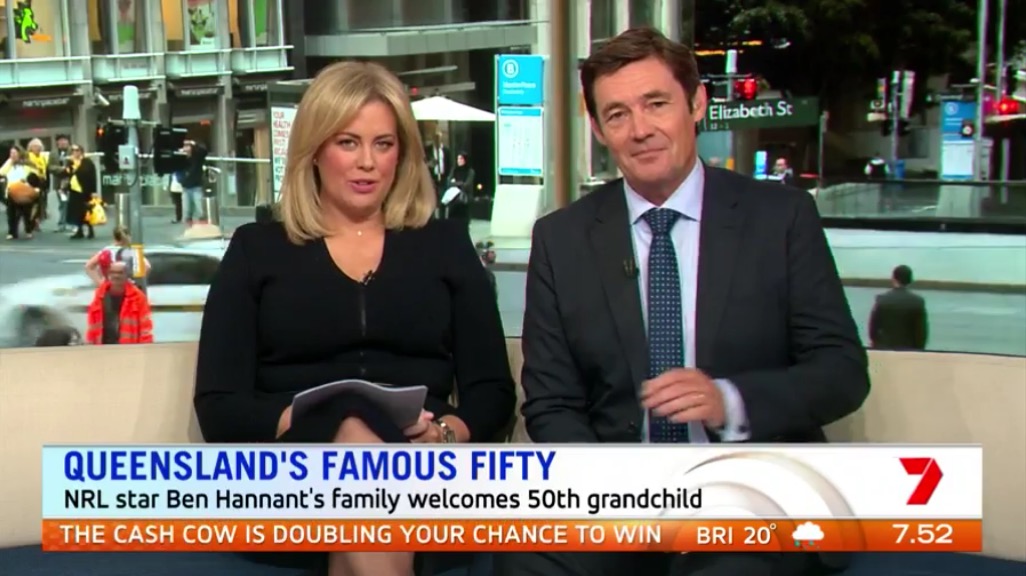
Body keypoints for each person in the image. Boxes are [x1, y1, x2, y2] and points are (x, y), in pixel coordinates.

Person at [503, 27, 869, 576]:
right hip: (621, 501)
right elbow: (552, 403)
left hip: (749, 490)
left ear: (696, 104)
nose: (640, 130)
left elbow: (842, 372)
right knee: (525, 561)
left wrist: (729, 401)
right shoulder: (562, 239)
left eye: (656, 104)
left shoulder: (781, 218)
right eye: (618, 114)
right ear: (598, 129)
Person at [193, 60, 516, 576]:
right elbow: (219, 405)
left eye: (383, 144)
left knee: (363, 461)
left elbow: (493, 391)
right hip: (291, 475)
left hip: (427, 469)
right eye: (348, 143)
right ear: (315, 149)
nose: (367, 163)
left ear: (401, 154)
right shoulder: (257, 250)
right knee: (353, 433)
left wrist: (446, 433)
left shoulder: (446, 245)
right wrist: (318, 423)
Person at [85, 262, 154, 345]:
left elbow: (146, 326)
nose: (116, 276)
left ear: (127, 275)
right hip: (102, 346)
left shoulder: (138, 297)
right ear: (108, 274)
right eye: (113, 272)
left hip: (128, 347)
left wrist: (146, 347)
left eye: (120, 273)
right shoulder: (100, 294)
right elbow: (92, 323)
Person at [868, 265, 928, 350]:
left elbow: (873, 328)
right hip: (908, 350)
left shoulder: (882, 299)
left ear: (894, 278)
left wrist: (877, 344)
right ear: (910, 280)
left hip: (884, 349)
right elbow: (921, 333)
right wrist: (918, 351)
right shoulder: (918, 301)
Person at [84, 226, 151, 285]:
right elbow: (147, 266)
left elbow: (89, 266)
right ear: (129, 237)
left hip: (110, 285)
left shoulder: (107, 250)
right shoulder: (132, 251)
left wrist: (100, 283)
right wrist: (137, 281)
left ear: (114, 237)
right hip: (128, 286)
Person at [1, 144, 43, 240]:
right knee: (11, 214)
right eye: (11, 153)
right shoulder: (9, 165)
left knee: (26, 213)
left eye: (14, 153)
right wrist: (9, 162)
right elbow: (1, 172)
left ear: (20, 153)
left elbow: (36, 176)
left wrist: (30, 184)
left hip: (25, 191)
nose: (12, 155)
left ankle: (28, 230)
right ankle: (12, 232)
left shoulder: (27, 165)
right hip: (11, 192)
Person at [64, 144, 98, 239]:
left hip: (85, 190)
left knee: (86, 210)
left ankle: (90, 230)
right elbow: (67, 174)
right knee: (76, 211)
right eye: (73, 151)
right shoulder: (71, 162)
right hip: (74, 190)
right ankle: (79, 231)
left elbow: (92, 177)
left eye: (77, 150)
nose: (75, 152)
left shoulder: (87, 162)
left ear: (81, 151)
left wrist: (93, 191)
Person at [176, 139, 208, 227]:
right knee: (187, 211)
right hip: (186, 188)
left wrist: (195, 143)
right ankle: (188, 228)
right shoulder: (181, 159)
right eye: (184, 146)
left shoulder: (197, 157)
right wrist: (182, 180)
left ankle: (202, 227)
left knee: (199, 210)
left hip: (196, 187)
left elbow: (204, 151)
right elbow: (178, 171)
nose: (186, 148)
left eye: (188, 146)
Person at [47, 134, 72, 232]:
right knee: (63, 202)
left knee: (70, 203)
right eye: (60, 141)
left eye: (64, 140)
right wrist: (61, 169)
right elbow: (50, 167)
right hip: (59, 183)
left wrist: (68, 169)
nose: (63, 142)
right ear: (57, 142)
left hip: (72, 182)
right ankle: (62, 223)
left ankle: (69, 223)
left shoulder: (73, 151)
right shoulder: (53, 154)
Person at [444, 151, 475, 223]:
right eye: (458, 159)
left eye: (461, 159)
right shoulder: (454, 170)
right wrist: (460, 183)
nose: (459, 161)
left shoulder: (470, 171)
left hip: (464, 197)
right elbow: (449, 182)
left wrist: (455, 183)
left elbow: (467, 184)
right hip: (453, 197)